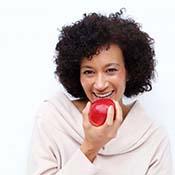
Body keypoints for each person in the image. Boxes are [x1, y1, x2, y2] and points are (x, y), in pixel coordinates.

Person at [27, 9, 173, 175]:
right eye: (89, 72)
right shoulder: (53, 118)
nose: (100, 84)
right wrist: (90, 147)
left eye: (111, 70)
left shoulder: (153, 138)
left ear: (129, 71)